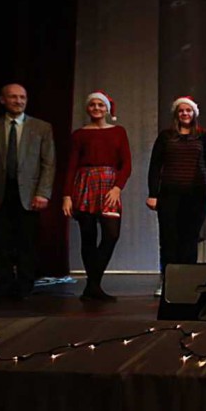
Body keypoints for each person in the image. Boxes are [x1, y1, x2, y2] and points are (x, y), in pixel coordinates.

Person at [0, 83, 57, 299]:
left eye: (22, 97)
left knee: (26, 242)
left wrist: (43, 192)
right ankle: (2, 287)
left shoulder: (41, 128)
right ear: (2, 100)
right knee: (1, 242)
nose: (18, 101)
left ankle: (24, 287)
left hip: (29, 194)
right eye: (13, 97)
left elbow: (48, 163)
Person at [62, 91, 132, 301]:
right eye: (92, 105)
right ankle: (94, 287)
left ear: (107, 109)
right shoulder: (79, 134)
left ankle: (92, 284)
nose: (96, 108)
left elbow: (126, 164)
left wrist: (117, 188)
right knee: (88, 237)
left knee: (111, 235)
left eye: (100, 105)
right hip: (85, 184)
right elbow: (71, 166)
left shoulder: (118, 132)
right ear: (87, 108)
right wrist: (67, 195)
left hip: (109, 185)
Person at [147, 96, 206, 293]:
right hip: (169, 195)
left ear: (194, 113)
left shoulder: (204, 136)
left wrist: (203, 180)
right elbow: (155, 166)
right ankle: (167, 280)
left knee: (189, 239)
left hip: (196, 196)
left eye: (188, 110)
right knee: (169, 240)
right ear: (176, 114)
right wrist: (153, 194)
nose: (185, 113)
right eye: (181, 110)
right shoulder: (166, 136)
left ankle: (186, 281)